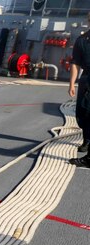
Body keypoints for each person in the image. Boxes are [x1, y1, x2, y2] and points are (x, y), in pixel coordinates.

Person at [68, 14, 90, 168]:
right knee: (82, 113)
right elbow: (76, 63)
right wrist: (71, 84)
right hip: (87, 79)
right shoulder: (82, 41)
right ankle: (87, 139)